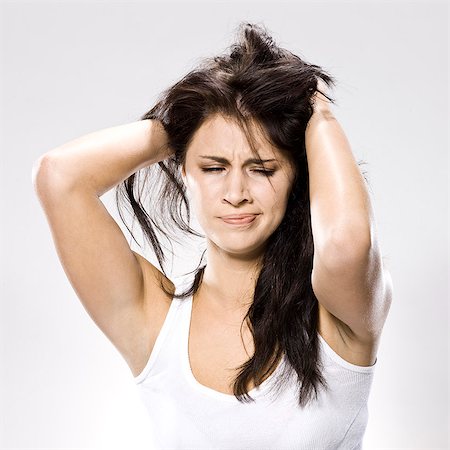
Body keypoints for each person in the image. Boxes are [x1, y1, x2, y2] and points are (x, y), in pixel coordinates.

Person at [32, 22, 393, 449]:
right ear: (185, 171)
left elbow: (348, 243)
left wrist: (317, 112)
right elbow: (59, 177)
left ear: (297, 175)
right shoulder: (153, 320)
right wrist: (193, 121)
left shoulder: (338, 314)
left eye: (262, 169)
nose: (237, 193)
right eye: (213, 167)